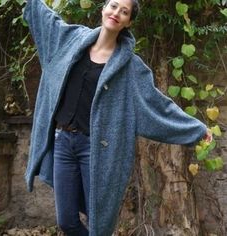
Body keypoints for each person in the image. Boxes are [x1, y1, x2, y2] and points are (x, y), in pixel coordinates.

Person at [23, 0, 212, 235]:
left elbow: (158, 106)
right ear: (103, 9)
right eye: (113, 6)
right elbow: (46, 20)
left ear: (128, 22)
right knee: (66, 221)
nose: (116, 13)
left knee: (98, 224)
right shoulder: (71, 41)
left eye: (124, 12)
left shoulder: (130, 67)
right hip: (63, 143)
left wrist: (195, 129)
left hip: (96, 152)